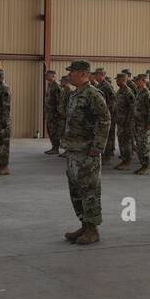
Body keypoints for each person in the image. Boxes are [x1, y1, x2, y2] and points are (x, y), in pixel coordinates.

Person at [61, 60, 110, 245]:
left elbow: (104, 120)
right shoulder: (75, 94)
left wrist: (97, 147)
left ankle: (93, 230)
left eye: (72, 72)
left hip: (86, 152)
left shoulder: (92, 94)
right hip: (74, 151)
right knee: (76, 190)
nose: (69, 75)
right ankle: (84, 224)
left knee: (89, 190)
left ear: (82, 74)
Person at [130, 72, 150, 175]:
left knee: (144, 146)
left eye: (138, 80)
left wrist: (149, 124)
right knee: (140, 146)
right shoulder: (139, 92)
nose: (136, 82)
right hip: (138, 124)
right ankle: (143, 165)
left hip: (145, 125)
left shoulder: (147, 94)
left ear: (144, 81)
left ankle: (146, 166)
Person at [112, 70, 135, 169]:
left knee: (126, 142)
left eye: (118, 80)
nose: (116, 82)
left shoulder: (128, 92)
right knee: (121, 141)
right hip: (120, 121)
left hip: (126, 122)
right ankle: (124, 160)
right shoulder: (119, 91)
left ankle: (127, 162)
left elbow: (132, 108)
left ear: (123, 80)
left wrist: (128, 122)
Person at [43, 69, 63, 156]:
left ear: (53, 76)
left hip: (54, 113)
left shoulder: (56, 86)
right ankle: (53, 147)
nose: (46, 76)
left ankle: (56, 148)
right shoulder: (49, 85)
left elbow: (59, 101)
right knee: (50, 130)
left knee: (55, 131)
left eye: (48, 75)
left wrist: (57, 113)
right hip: (49, 112)